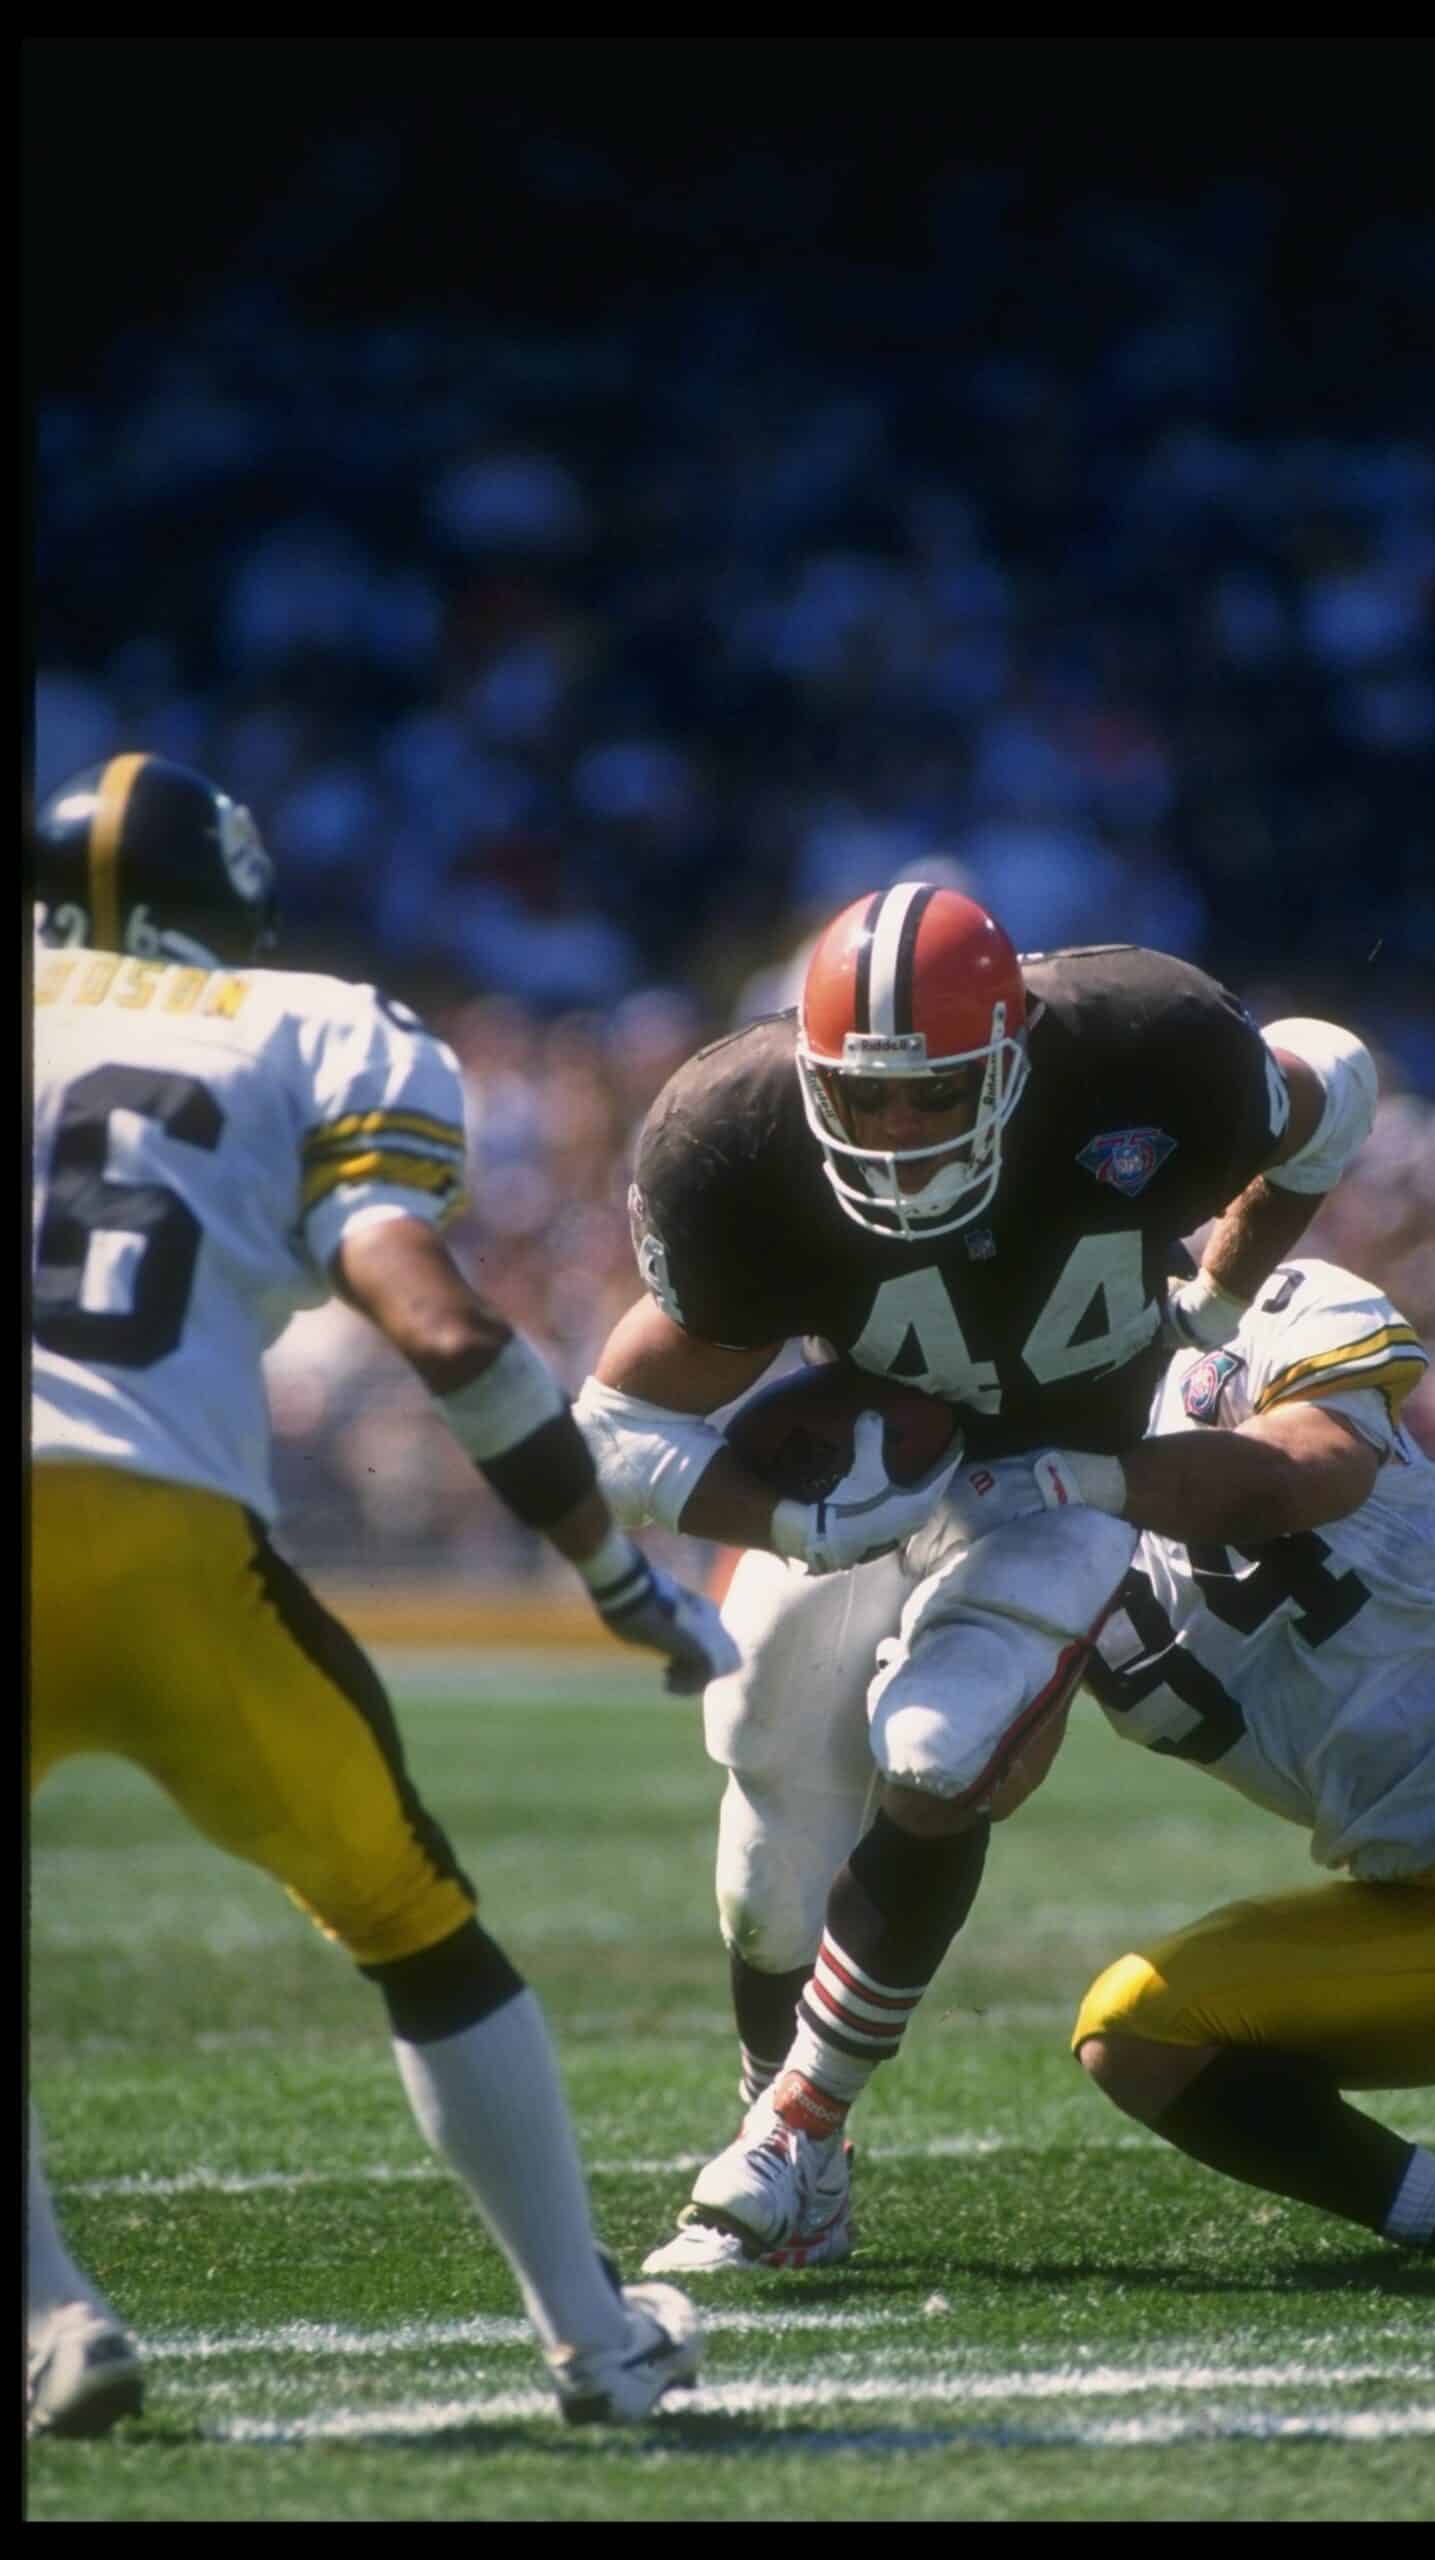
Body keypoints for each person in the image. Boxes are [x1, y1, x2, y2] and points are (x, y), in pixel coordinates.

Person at [29, 753, 736, 2436]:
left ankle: (53, 2318)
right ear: (239, 908)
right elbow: (444, 1332)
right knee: (413, 1924)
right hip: (155, 1537)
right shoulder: (318, 1024)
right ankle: (593, 2339)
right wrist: (612, 1569)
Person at [569, 878, 1379, 2271]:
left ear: (1009, 1059)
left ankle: (785, 2143)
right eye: (861, 1097)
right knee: (766, 1836)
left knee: (939, 1754)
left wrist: (1215, 1305)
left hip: (1062, 1475)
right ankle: (793, 2152)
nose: (891, 1130)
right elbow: (613, 1428)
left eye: (931, 1094)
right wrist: (794, 1524)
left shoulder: (1146, 1047)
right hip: (870, 1488)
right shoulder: (737, 1135)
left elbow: (1337, 1085)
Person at [1047, 1253, 1435, 2261]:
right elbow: (986, 1777)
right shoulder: (1009, 1524)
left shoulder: (1264, 1303)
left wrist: (1079, 1479)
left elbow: (1311, 1469)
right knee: (1135, 2030)